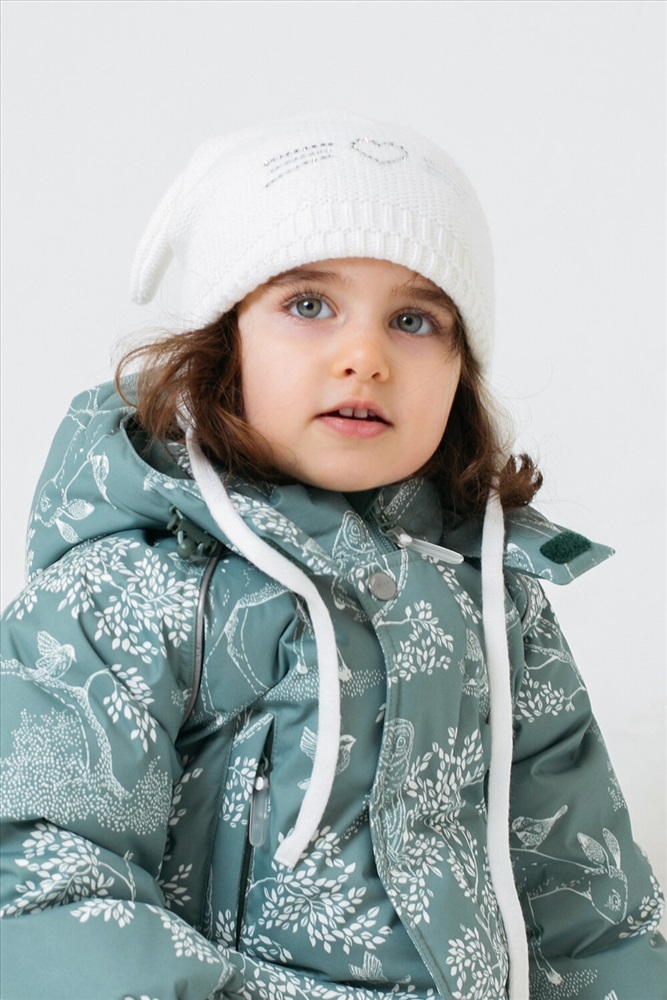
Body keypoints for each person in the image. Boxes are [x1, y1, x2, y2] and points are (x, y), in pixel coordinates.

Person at [0, 113, 664, 1000]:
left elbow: (585, 905)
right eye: (308, 305)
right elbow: (39, 882)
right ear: (222, 344)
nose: (365, 356)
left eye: (413, 319)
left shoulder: (491, 602)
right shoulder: (124, 592)